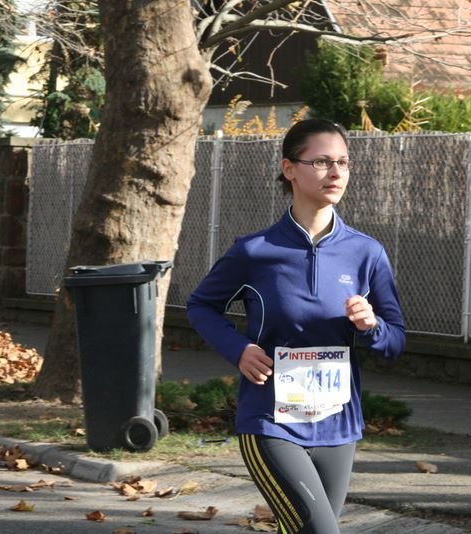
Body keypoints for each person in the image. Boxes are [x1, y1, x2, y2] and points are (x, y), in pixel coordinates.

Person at [186, 118, 406, 533]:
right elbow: (201, 306)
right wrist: (239, 350)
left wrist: (372, 325)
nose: (336, 172)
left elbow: (394, 344)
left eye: (343, 161)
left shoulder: (366, 253)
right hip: (270, 422)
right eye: (322, 161)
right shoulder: (255, 250)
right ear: (289, 169)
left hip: (338, 425)